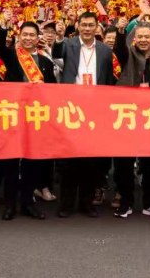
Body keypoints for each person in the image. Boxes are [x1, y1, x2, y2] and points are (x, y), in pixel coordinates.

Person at [52, 11, 115, 217]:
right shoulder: (68, 45)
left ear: (97, 27)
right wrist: (60, 36)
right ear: (78, 26)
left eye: (91, 25)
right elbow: (56, 56)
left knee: (91, 160)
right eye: (84, 25)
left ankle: (87, 204)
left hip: (96, 109)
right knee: (70, 159)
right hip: (72, 107)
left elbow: (108, 77)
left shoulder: (105, 50)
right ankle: (66, 205)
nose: (87, 29)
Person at [0, 20, 57, 220]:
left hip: (35, 118)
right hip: (12, 115)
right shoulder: (12, 56)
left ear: (38, 38)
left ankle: (28, 204)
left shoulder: (45, 63)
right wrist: (3, 28)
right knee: (11, 162)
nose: (28, 38)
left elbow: (53, 91)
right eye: (25, 35)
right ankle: (10, 205)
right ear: (19, 37)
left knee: (32, 162)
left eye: (32, 35)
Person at [112, 20, 150, 220]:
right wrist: (121, 32)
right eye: (140, 37)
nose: (143, 40)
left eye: (147, 37)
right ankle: (126, 203)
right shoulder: (126, 55)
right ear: (135, 38)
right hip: (128, 117)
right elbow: (119, 48)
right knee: (123, 164)